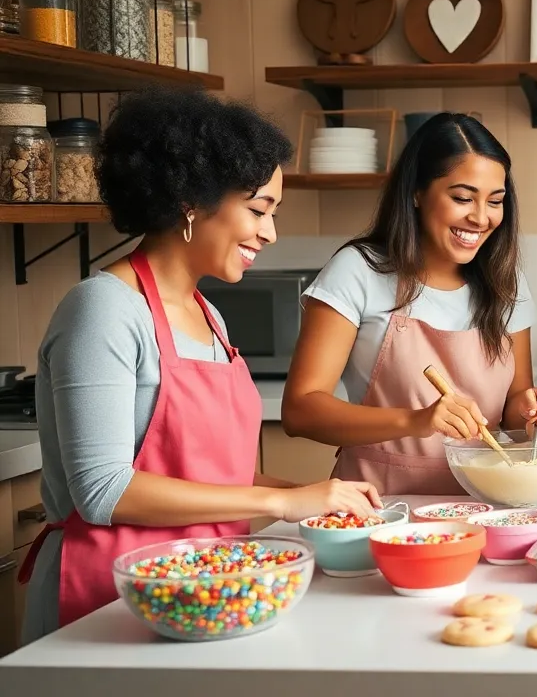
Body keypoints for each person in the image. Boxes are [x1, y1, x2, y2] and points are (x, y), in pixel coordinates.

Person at [18, 88, 382, 643]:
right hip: (107, 601)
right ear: (190, 199)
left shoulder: (208, 314)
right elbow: (103, 491)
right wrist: (282, 501)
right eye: (258, 210)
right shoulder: (104, 309)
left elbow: (207, 477)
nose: (270, 232)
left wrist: (315, 499)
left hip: (204, 587)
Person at [281, 112, 537, 495]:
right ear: (416, 192)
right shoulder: (359, 270)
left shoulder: (505, 280)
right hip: (378, 505)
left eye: (495, 201)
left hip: (484, 503)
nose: (481, 217)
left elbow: (514, 407)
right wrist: (417, 421)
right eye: (462, 198)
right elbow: (300, 411)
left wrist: (532, 411)